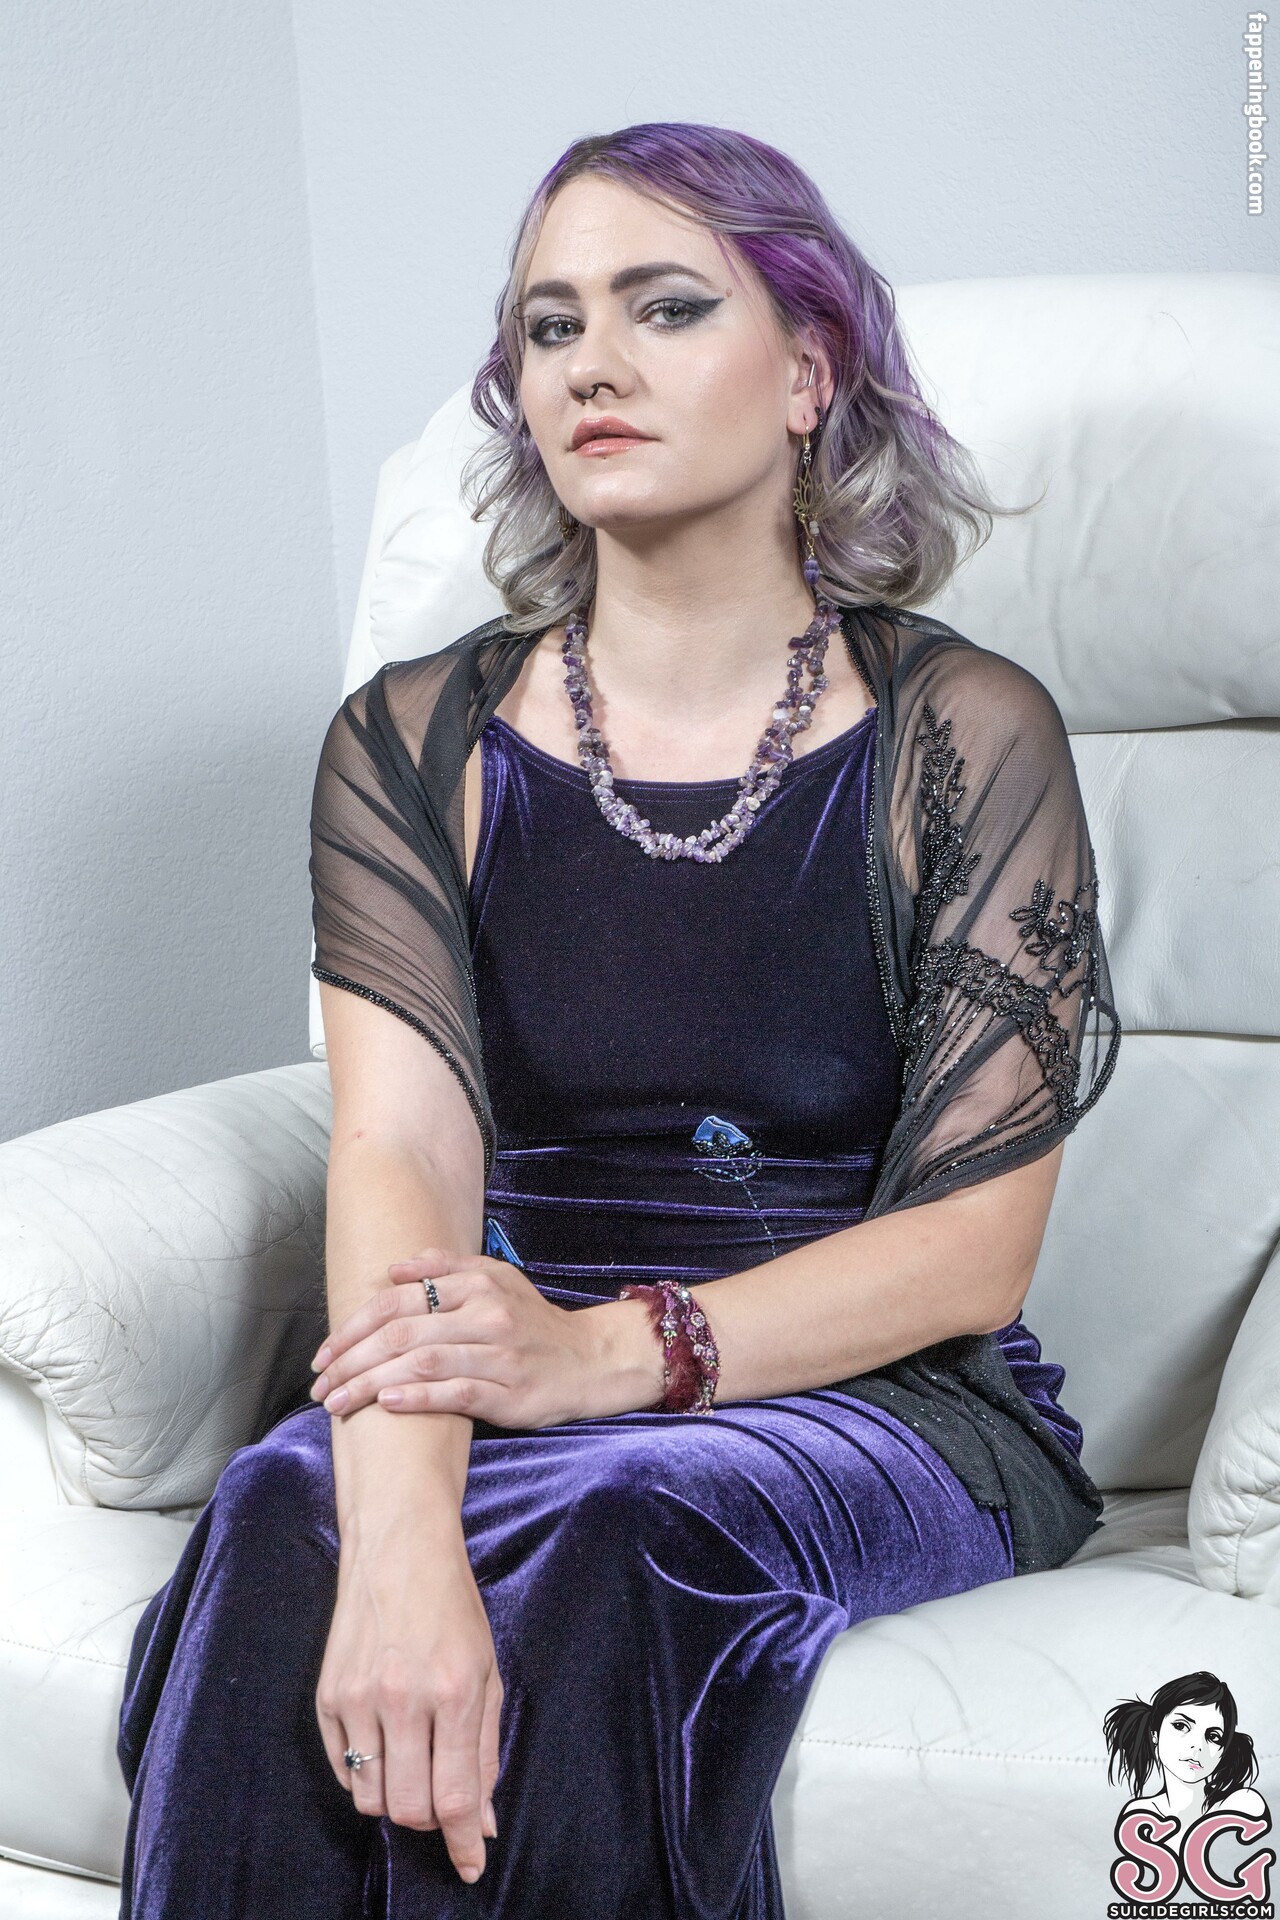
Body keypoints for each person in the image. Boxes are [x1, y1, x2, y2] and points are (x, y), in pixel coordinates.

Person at [115, 122, 1122, 1918]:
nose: (593, 363)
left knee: (617, 1525)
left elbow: (975, 1250)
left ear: (808, 376)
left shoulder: (965, 734)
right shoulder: (410, 741)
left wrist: (595, 1360)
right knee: (283, 1517)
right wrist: (400, 1523)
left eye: (665, 308)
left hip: (867, 1396)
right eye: (550, 325)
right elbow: (403, 1148)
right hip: (487, 1349)